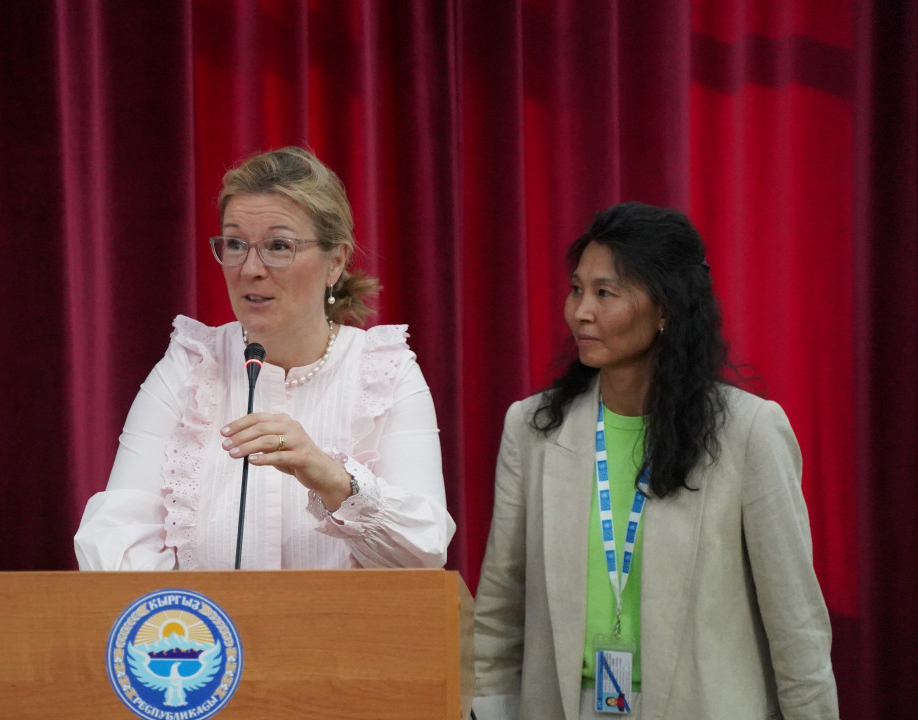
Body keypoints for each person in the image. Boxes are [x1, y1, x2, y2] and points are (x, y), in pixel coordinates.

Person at [473, 203, 838, 719]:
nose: (581, 311)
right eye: (577, 289)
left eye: (605, 293)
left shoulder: (749, 431)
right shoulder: (532, 429)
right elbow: (500, 607)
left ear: (665, 309)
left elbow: (796, 623)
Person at [74, 146, 454, 571]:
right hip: (205, 618)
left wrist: (333, 480)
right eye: (236, 244)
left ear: (335, 261)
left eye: (278, 246)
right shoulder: (189, 367)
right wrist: (198, 613)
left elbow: (421, 555)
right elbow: (115, 544)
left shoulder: (386, 372)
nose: (250, 269)